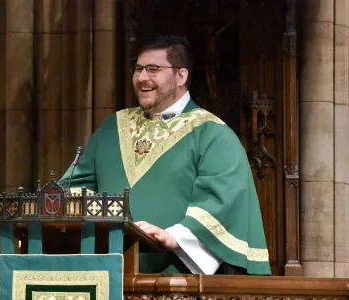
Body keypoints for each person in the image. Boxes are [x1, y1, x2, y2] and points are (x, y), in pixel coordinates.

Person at [58, 35, 271, 275]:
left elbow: (224, 201)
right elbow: (72, 188)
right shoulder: (114, 127)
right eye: (138, 69)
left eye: (153, 69)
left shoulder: (212, 134)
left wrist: (175, 236)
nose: (141, 78)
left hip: (176, 279)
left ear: (181, 76)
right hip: (106, 275)